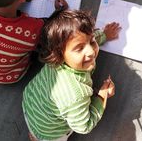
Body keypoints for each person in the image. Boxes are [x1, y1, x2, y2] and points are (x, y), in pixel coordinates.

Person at [22, 9, 121, 141]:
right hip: (50, 132)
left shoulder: (55, 58)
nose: (91, 51)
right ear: (59, 54)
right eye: (79, 48)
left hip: (30, 104)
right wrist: (102, 96)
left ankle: (35, 135)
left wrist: (104, 34)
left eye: (91, 42)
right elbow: (84, 126)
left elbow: (82, 37)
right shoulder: (76, 94)